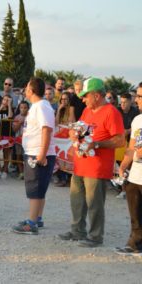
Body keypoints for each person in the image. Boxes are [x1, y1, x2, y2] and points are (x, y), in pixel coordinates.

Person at [58, 77, 125, 247]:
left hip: (97, 166)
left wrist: (97, 144)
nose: (83, 99)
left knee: (94, 202)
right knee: (76, 199)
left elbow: (119, 140)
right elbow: (80, 127)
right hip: (81, 163)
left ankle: (95, 236)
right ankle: (77, 231)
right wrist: (74, 133)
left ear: (96, 95)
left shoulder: (111, 112)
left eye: (85, 95)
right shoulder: (88, 110)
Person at [12, 77, 56, 235]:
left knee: (35, 187)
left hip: (38, 153)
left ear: (31, 90)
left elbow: (46, 129)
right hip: (36, 152)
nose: (24, 90)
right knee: (39, 187)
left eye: (26, 88)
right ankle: (37, 218)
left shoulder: (41, 107)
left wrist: (42, 154)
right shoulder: (38, 106)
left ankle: (31, 223)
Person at [115, 84, 142, 255]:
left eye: (140, 96)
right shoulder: (138, 120)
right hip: (136, 175)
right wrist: (124, 165)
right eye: (138, 96)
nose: (137, 100)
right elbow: (132, 147)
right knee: (135, 215)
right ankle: (135, 243)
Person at [0, 94, 14, 178]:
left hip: (7, 134)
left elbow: (10, 116)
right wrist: (0, 108)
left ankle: (5, 170)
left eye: (8, 100)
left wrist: (9, 106)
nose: (5, 102)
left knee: (6, 153)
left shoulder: (11, 109)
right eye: (4, 100)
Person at [55, 92, 72, 187]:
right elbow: (56, 123)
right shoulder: (60, 109)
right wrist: (59, 110)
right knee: (60, 158)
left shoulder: (71, 110)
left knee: (67, 158)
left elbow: (70, 123)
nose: (63, 101)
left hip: (68, 138)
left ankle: (68, 179)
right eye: (62, 99)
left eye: (65, 99)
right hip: (60, 137)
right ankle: (61, 178)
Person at [12, 101, 30, 180]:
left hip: (28, 141)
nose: (23, 109)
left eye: (25, 107)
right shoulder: (17, 117)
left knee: (27, 157)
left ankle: (28, 173)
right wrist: (20, 123)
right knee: (18, 155)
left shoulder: (31, 117)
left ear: (28, 108)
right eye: (21, 107)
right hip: (18, 140)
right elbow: (14, 129)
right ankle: (21, 172)